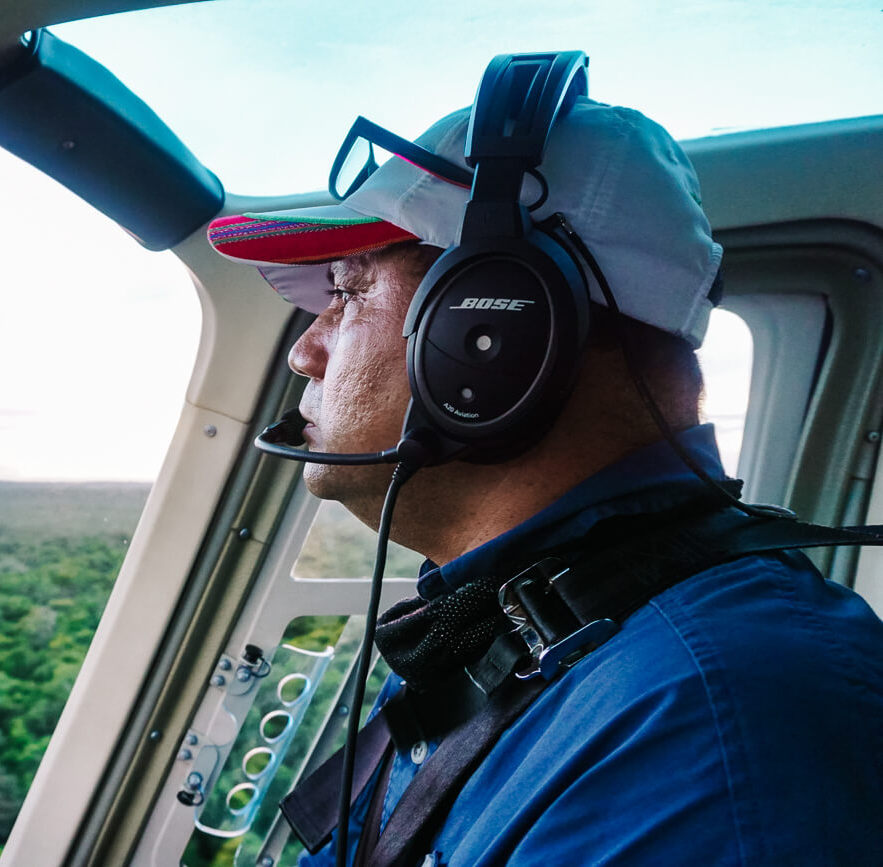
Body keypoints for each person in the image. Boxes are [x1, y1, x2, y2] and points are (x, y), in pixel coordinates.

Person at [207, 86, 883, 865]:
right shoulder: (506, 621)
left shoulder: (717, 721)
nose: (304, 353)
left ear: (494, 326)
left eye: (349, 293)